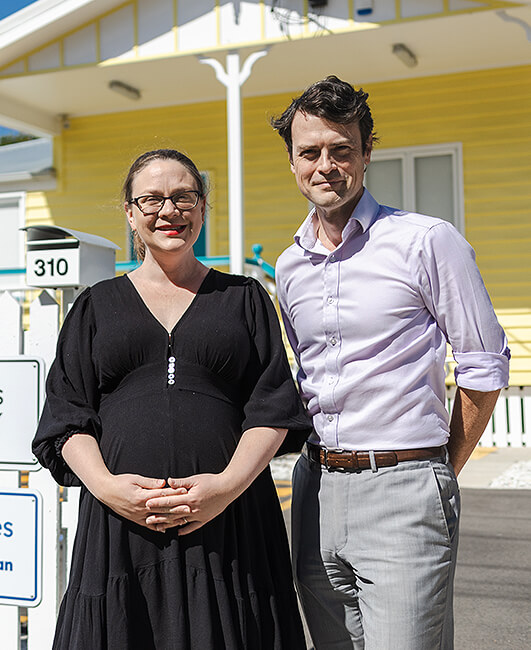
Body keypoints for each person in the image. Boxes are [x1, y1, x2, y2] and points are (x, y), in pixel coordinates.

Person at [32, 148, 311, 649]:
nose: (170, 210)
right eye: (153, 198)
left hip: (231, 525)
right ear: (130, 211)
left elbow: (272, 407)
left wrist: (224, 488)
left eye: (184, 197)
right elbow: (67, 416)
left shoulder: (244, 298)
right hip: (121, 530)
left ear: (202, 207)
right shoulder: (95, 307)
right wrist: (108, 488)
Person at [271, 76, 510, 650]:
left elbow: (484, 364)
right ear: (293, 161)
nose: (325, 165)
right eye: (310, 152)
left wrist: (436, 471)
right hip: (316, 490)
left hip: (405, 489)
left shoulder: (428, 241)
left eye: (341, 149)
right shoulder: (288, 266)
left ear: (366, 152)